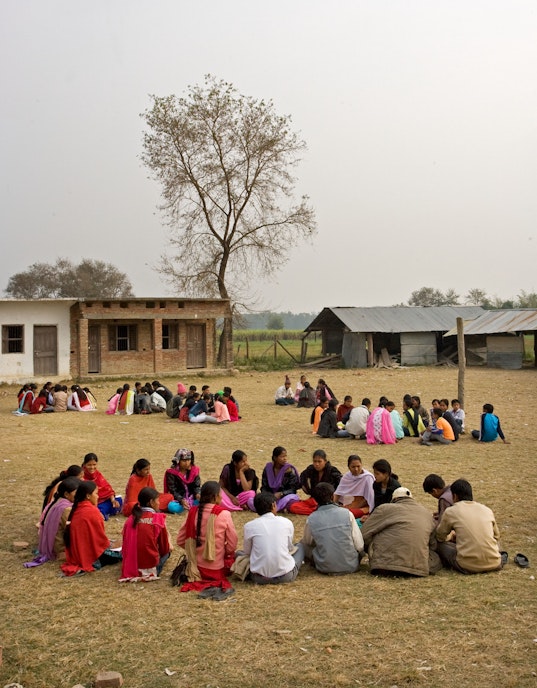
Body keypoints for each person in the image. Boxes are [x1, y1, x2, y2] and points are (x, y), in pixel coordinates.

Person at [361, 487, 441, 577]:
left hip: (383, 567)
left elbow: (364, 534)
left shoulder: (384, 508)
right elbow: (433, 545)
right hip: (417, 569)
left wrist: (369, 548)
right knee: (436, 558)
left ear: (394, 499)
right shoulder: (426, 513)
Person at [176, 481, 237, 593]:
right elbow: (232, 544)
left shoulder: (192, 512)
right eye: (221, 495)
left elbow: (180, 540)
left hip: (195, 569)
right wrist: (223, 552)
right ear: (215, 497)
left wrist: (193, 549)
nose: (222, 498)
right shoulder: (224, 514)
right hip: (216, 569)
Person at [435, 479, 502, 574]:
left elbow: (440, 537)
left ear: (454, 496)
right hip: (495, 563)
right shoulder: (487, 510)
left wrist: (451, 536)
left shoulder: (451, 511)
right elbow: (496, 536)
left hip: (466, 566)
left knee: (438, 545)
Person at [61, 481, 122, 576]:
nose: (98, 497)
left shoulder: (77, 507)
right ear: (88, 496)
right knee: (124, 551)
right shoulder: (91, 511)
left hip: (77, 554)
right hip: (91, 556)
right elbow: (100, 541)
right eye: (96, 494)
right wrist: (112, 545)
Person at [243, 492, 305, 585]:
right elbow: (289, 548)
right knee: (300, 547)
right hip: (286, 576)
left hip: (258, 578)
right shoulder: (286, 522)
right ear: (273, 505)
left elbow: (247, 552)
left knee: (239, 554)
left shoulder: (249, 526)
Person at [302, 483, 364, 575]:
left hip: (324, 567)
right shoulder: (347, 514)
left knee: (301, 545)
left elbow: (308, 542)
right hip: (351, 565)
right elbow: (359, 545)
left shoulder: (311, 518)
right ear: (332, 496)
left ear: (315, 500)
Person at [25, 477, 81, 566]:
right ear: (66, 494)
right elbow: (74, 530)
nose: (80, 496)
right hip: (59, 549)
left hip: (52, 544)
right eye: (77, 493)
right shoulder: (66, 509)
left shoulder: (57, 501)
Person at [119, 487, 172, 582]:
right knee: (168, 551)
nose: (159, 503)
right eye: (158, 500)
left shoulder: (130, 519)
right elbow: (164, 549)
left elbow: (125, 543)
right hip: (150, 567)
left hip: (131, 566)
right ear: (151, 502)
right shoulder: (157, 519)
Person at [289, 449, 342, 515]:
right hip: (314, 500)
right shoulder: (311, 469)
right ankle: (317, 511)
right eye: (315, 461)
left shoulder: (332, 471)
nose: (317, 464)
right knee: (293, 507)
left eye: (319, 461)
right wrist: (305, 486)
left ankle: (320, 510)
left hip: (328, 501)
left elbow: (340, 484)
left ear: (325, 461)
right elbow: (302, 476)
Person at [82, 453, 122, 520]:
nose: (92, 467)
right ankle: (100, 513)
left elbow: (107, 489)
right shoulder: (81, 476)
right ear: (84, 465)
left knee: (119, 501)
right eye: (89, 465)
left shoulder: (98, 474)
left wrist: (113, 500)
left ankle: (102, 512)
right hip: (91, 503)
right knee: (97, 509)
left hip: (103, 500)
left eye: (94, 465)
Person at [260, 446, 300, 512]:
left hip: (284, 497)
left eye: (285, 456)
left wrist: (281, 494)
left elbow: (293, 489)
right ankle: (275, 507)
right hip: (270, 497)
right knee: (254, 500)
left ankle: (272, 508)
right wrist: (268, 496)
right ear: (275, 458)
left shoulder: (289, 470)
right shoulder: (268, 469)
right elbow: (264, 486)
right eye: (282, 457)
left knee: (291, 500)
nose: (285, 459)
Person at [164, 448, 201, 512]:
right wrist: (181, 500)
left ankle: (191, 506)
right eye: (184, 461)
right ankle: (189, 507)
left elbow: (197, 486)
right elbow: (173, 490)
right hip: (178, 500)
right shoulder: (172, 473)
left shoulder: (194, 471)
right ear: (178, 461)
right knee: (171, 506)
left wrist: (197, 494)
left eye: (188, 460)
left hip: (192, 497)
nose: (187, 463)